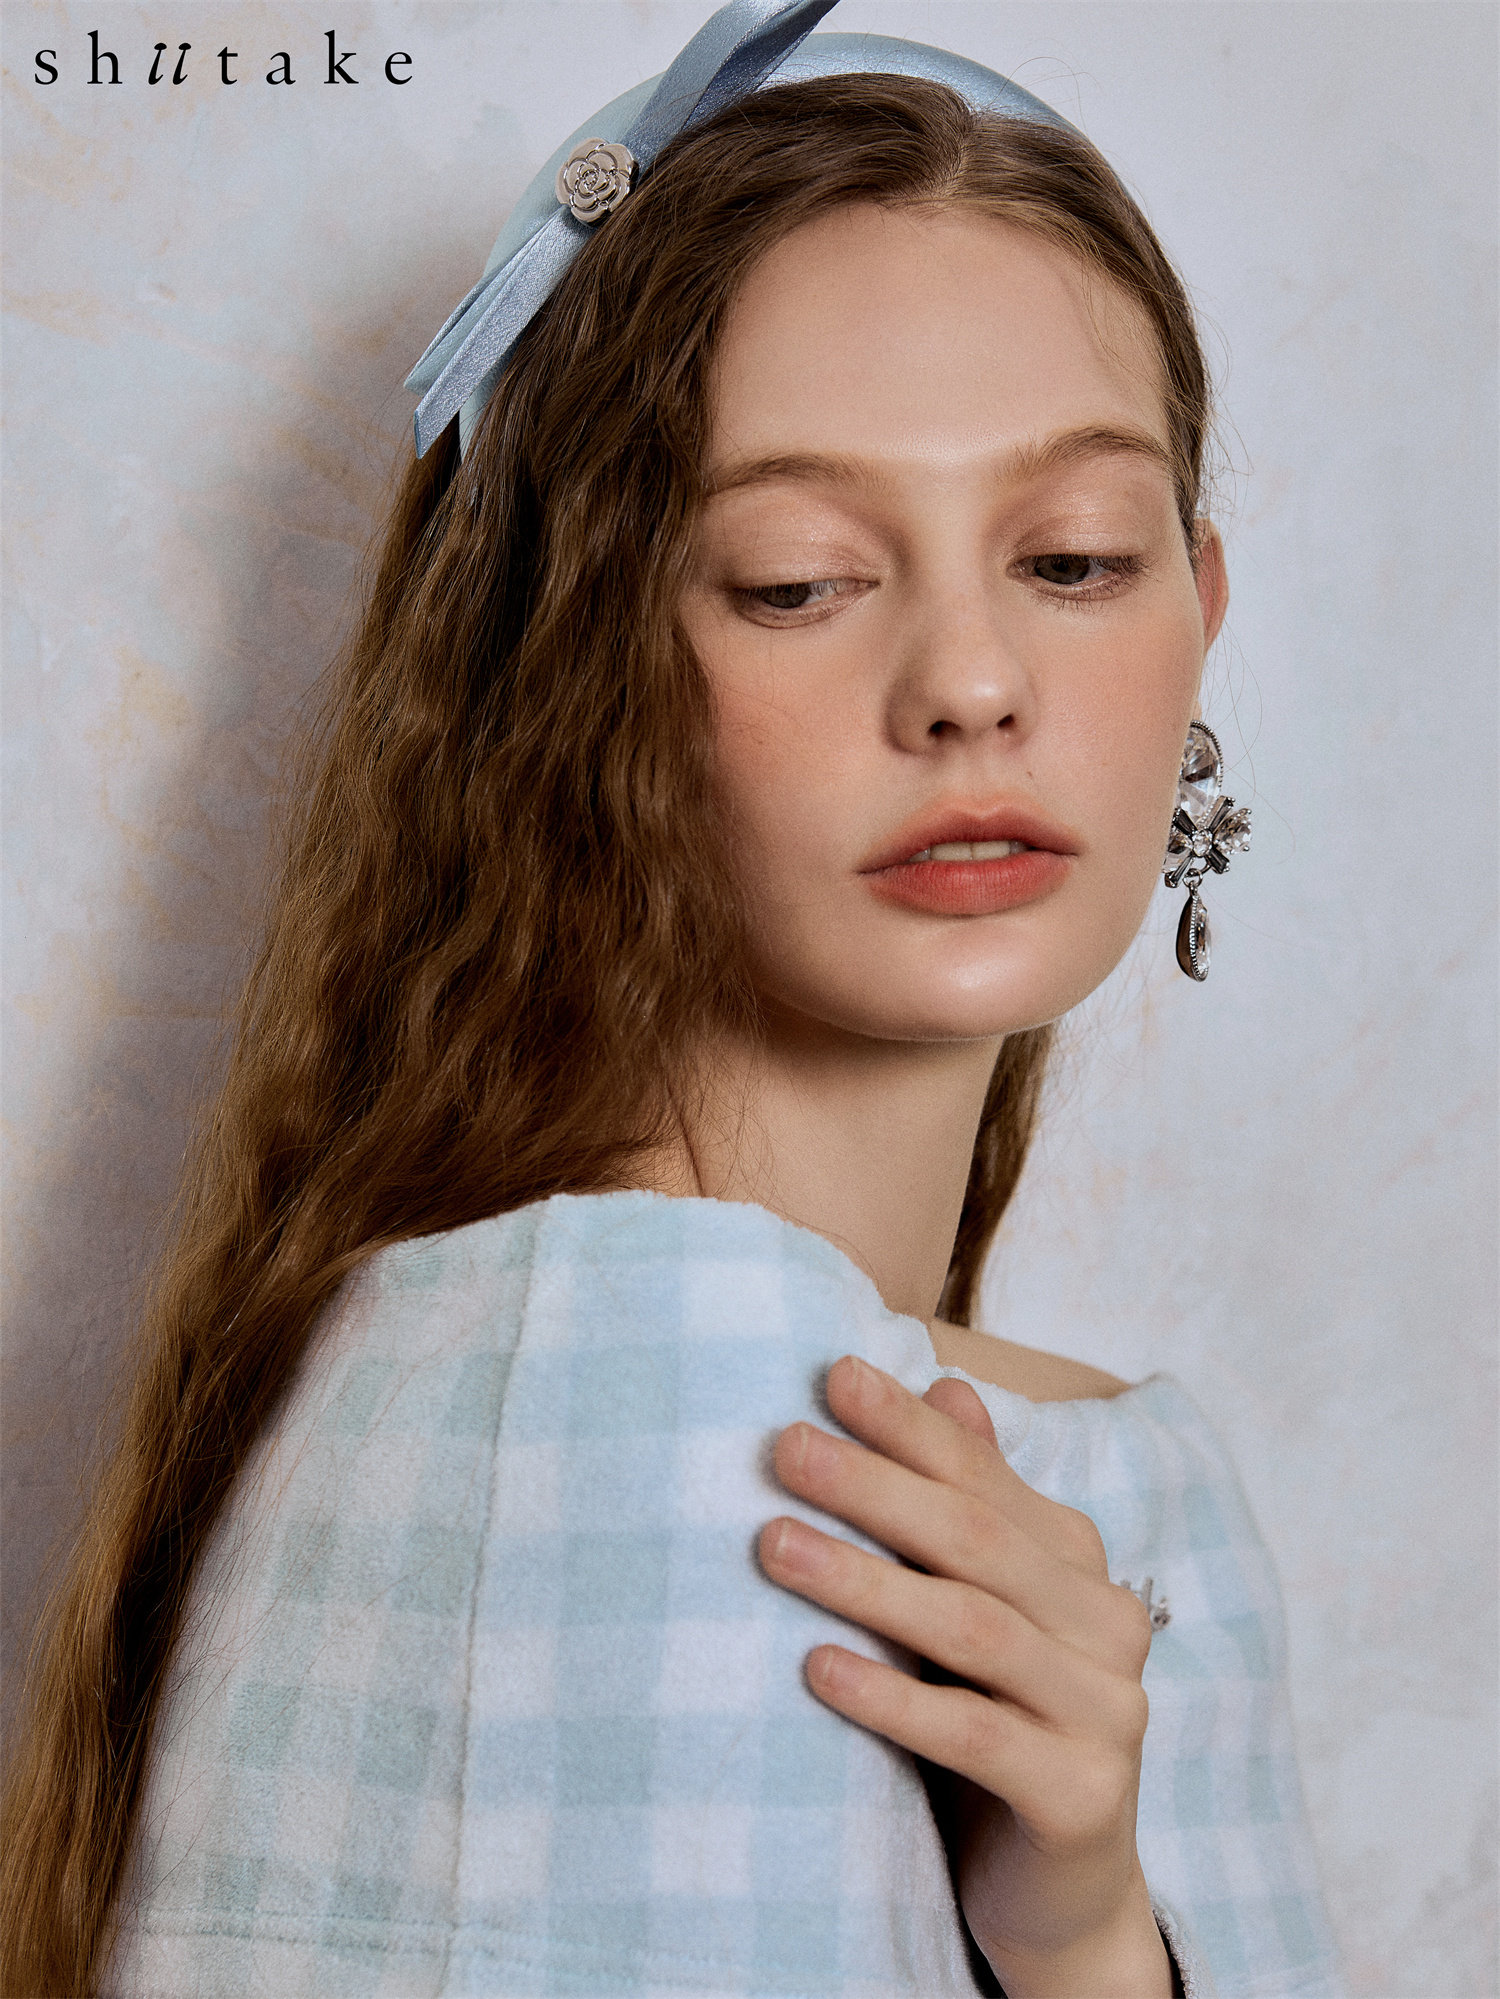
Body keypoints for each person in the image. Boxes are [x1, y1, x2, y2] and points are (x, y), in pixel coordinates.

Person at [0, 4, 1342, 1995]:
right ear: (573, 670)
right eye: (797, 579)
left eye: (1072, 557)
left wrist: (1083, 1944)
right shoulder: (617, 1384)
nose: (972, 683)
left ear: (1201, 610)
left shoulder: (1127, 1474)